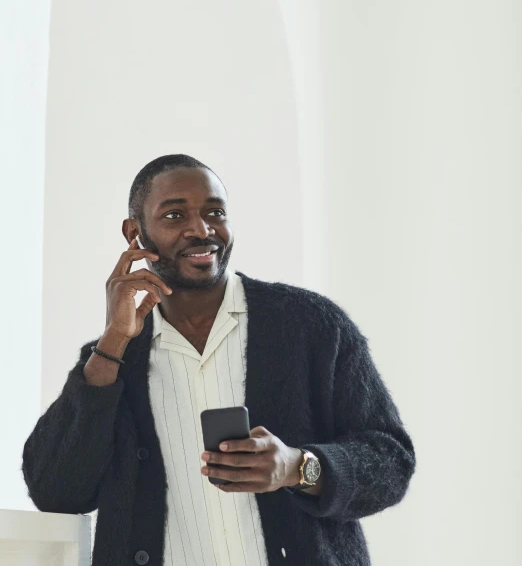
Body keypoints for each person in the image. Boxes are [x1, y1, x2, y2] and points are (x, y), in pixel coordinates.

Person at [22, 154, 416, 566]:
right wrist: (113, 342)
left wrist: (298, 467)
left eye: (215, 212)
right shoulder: (113, 358)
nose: (201, 230)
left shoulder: (310, 326)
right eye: (175, 215)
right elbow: (55, 490)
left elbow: (390, 461)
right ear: (135, 233)